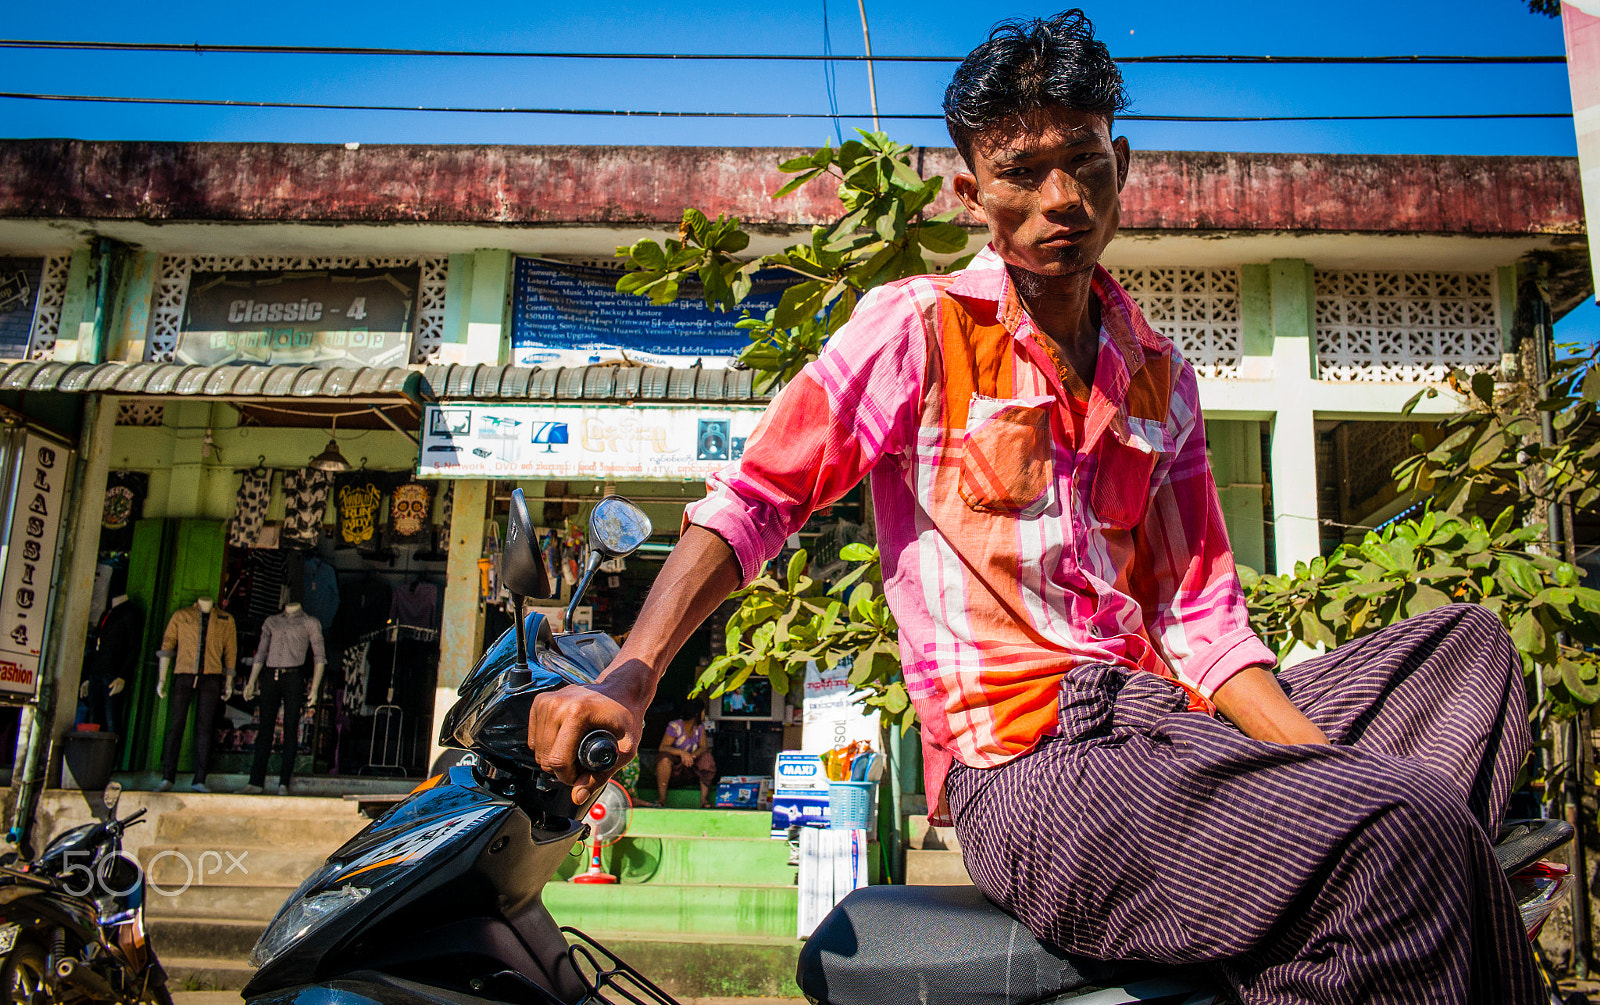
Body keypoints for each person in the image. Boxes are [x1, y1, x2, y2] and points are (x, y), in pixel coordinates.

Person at [528, 11, 1540, 1002]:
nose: (1060, 199)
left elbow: (1203, 625)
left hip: (1167, 733)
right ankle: (1360, 884)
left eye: (1084, 164)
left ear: (1121, 166)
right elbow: (757, 500)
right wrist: (632, 675)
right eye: (1020, 174)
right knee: (1406, 823)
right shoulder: (914, 330)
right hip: (1035, 771)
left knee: (1469, 652)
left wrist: (1316, 771)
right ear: (974, 193)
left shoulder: (1162, 380)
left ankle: (1335, 879)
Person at [646, 702, 716, 808]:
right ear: (696, 714)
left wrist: (692, 755)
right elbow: (663, 747)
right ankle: (662, 799)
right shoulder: (675, 726)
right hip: (675, 769)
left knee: (707, 759)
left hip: (691, 767)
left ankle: (703, 800)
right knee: (664, 760)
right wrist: (682, 753)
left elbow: (703, 747)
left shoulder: (700, 727)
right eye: (702, 712)